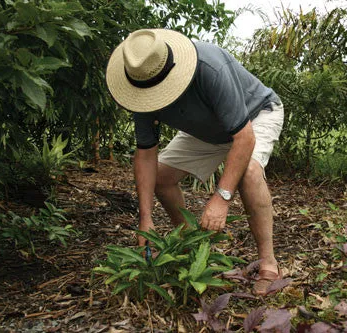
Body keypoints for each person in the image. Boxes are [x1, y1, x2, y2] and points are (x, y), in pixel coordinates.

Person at [105, 28, 284, 295]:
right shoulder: (141, 84)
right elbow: (145, 154)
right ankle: (195, 246)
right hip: (205, 131)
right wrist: (146, 219)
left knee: (249, 173)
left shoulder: (209, 66)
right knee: (162, 177)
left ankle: (269, 262)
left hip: (255, 116)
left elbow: (244, 139)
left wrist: (221, 198)